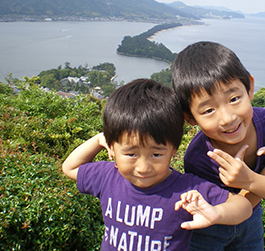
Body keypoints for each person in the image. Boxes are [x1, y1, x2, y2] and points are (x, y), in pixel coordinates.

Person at [62, 78, 252, 251]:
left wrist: (217, 213)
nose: (143, 167)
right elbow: (69, 168)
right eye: (130, 154)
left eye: (156, 154)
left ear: (173, 150)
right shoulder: (107, 176)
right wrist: (98, 139)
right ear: (112, 147)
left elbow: (243, 206)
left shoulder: (187, 190)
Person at [172, 41, 265, 250]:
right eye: (208, 110)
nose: (227, 118)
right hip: (210, 227)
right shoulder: (199, 157)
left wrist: (250, 180)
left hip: (251, 224)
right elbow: (240, 207)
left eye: (234, 98)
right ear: (189, 117)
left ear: (250, 88)